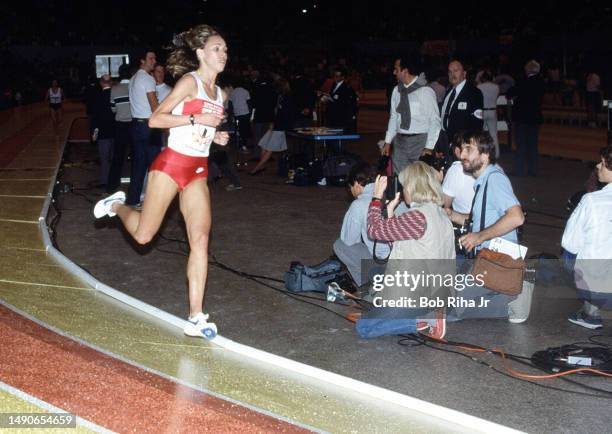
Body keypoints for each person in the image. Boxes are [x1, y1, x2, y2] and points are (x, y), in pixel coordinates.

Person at [93, 24, 230, 339]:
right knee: (144, 236)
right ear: (200, 53)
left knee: (200, 239)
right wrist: (196, 119)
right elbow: (156, 120)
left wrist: (216, 135)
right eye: (217, 48)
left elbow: (204, 132)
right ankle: (116, 205)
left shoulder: (220, 94)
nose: (223, 54)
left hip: (197, 170)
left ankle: (196, 316)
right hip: (171, 164)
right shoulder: (188, 82)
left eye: (225, 49)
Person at [362, 162, 456, 339]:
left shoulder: (417, 216)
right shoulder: (440, 215)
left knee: (364, 327)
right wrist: (390, 212)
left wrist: (376, 198)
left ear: (411, 188)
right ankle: (428, 317)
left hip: (415, 297)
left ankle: (423, 321)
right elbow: (402, 246)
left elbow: (373, 230)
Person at [448, 131, 529, 322]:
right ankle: (507, 295)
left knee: (448, 307)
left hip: (495, 262)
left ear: (485, 155)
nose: (462, 155)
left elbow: (516, 217)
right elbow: (484, 219)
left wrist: (479, 237)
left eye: (469, 149)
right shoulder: (484, 181)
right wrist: (451, 215)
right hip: (485, 261)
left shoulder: (495, 179)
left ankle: (513, 296)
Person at [562, 145, 612, 329]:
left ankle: (591, 313)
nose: (598, 166)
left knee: (568, 253)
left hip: (601, 289)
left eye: (603, 163)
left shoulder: (591, 201)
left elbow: (570, 243)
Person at [333, 163, 391, 287]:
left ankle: (370, 292)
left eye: (350, 187)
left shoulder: (360, 204)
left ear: (357, 184)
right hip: (407, 261)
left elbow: (348, 240)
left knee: (340, 245)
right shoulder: (392, 195)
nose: (351, 191)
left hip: (385, 265)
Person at [382, 56, 441, 175]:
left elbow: (434, 121)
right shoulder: (396, 91)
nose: (394, 72)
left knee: (420, 180)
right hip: (399, 142)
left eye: (396, 69)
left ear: (405, 71)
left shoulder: (425, 91)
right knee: (400, 178)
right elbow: (394, 117)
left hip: (419, 142)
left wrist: (429, 147)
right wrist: (388, 141)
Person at [127, 49, 158, 206]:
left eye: (154, 58)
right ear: (142, 60)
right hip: (148, 126)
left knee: (138, 165)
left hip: (135, 126)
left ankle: (132, 200)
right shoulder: (147, 79)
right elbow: (154, 106)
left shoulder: (133, 78)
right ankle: (153, 201)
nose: (154, 61)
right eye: (151, 58)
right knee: (155, 166)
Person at [249, 78, 296, 175]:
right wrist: (273, 122)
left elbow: (286, 114)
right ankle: (262, 166)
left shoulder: (287, 97)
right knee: (263, 144)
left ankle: (257, 168)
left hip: (281, 126)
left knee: (269, 148)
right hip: (276, 125)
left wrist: (280, 125)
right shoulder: (280, 96)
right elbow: (277, 112)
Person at [507, 60, 545, 177]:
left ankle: (518, 170)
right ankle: (532, 170)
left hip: (522, 117)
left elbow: (510, 93)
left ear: (527, 70)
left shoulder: (523, 81)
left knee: (521, 145)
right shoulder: (541, 82)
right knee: (533, 145)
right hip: (534, 117)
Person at [439, 59, 484, 157]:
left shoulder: (474, 93)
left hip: (462, 145)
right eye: (450, 72)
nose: (452, 74)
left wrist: (468, 147)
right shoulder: (449, 92)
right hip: (446, 141)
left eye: (456, 70)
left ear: (464, 73)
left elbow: (477, 124)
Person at [108, 64, 133, 193]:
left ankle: (112, 186)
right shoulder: (135, 88)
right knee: (136, 157)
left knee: (117, 158)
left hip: (120, 126)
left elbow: (113, 109)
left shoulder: (115, 89)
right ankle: (136, 186)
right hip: (134, 125)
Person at [91, 74, 115, 188]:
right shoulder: (115, 94)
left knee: (104, 158)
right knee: (114, 156)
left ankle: (105, 181)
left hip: (103, 132)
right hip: (116, 130)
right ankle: (114, 179)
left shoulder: (96, 97)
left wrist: (94, 132)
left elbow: (94, 117)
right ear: (111, 82)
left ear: (101, 83)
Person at [323, 66, 358, 132]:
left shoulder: (347, 88)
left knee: (337, 135)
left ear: (343, 77)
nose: (335, 77)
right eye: (335, 75)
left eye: (338, 76)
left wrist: (333, 99)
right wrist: (326, 98)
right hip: (331, 114)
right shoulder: (333, 85)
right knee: (330, 134)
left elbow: (347, 103)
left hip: (339, 116)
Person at [477, 71, 500, 158]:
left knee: (480, 134)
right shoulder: (496, 87)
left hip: (482, 111)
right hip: (492, 111)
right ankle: (496, 155)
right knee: (494, 134)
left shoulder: (479, 87)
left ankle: (480, 153)